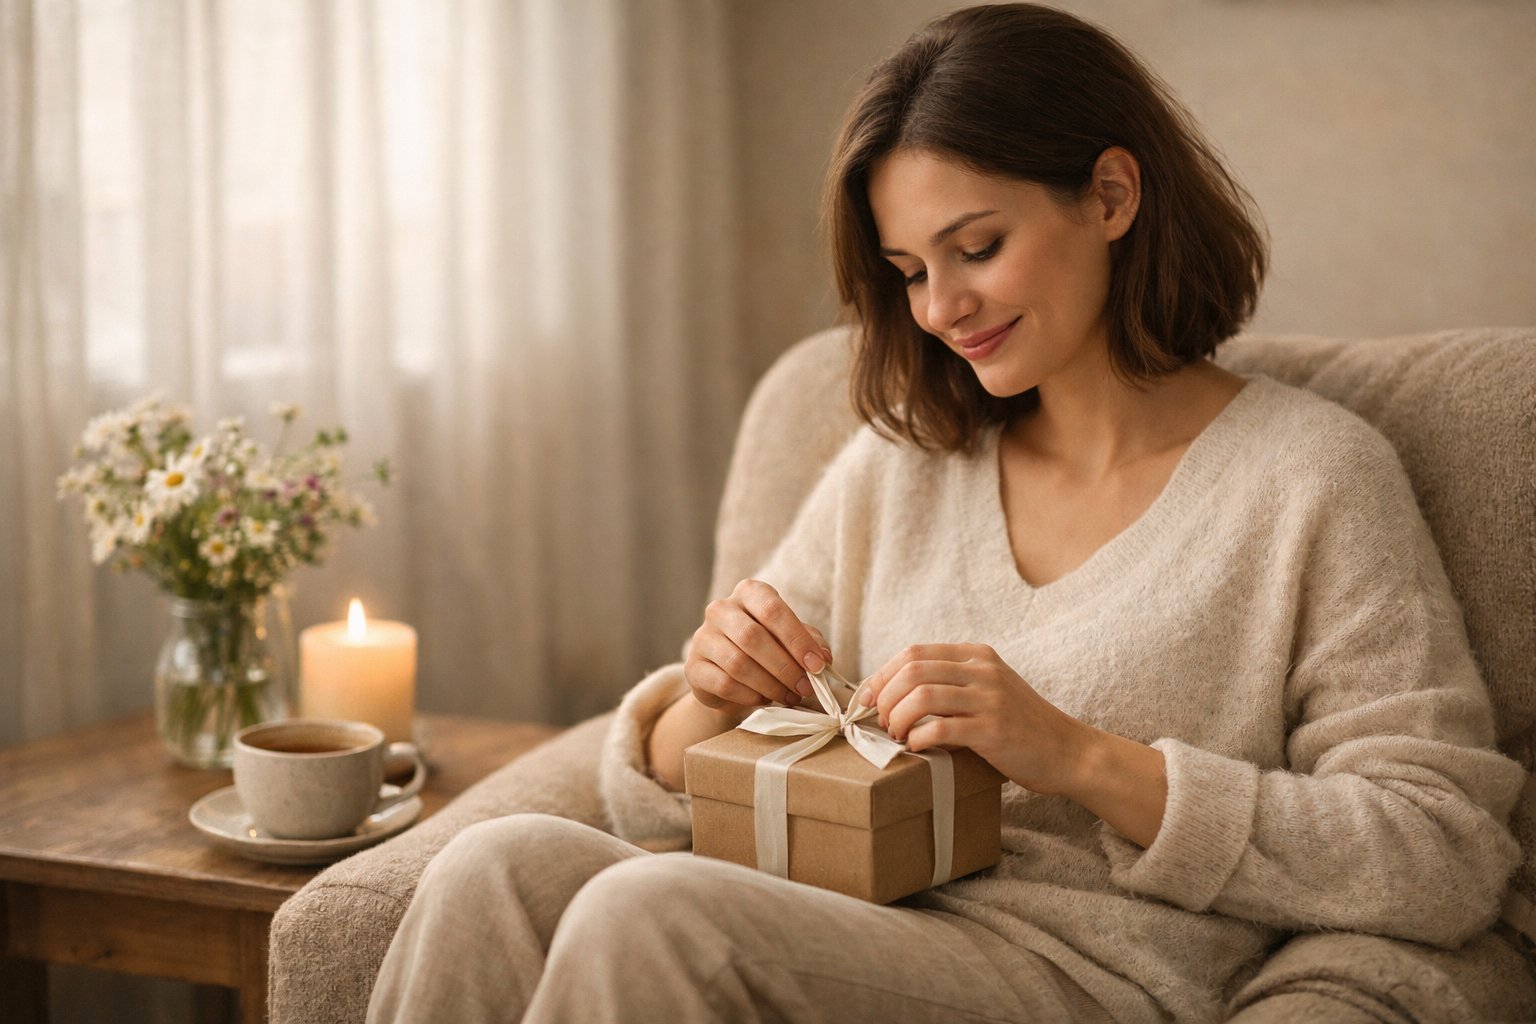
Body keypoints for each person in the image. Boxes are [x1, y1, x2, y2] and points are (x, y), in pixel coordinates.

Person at [367, 6, 1522, 1022]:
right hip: (829, 912)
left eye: (978, 247)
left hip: (1083, 972)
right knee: (493, 864)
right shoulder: (901, 463)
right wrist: (705, 699)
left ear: (1113, 194)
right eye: (912, 269)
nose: (942, 307)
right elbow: (665, 786)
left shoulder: (1311, 479)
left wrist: (1076, 756)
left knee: (656, 919)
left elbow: (1441, 850)